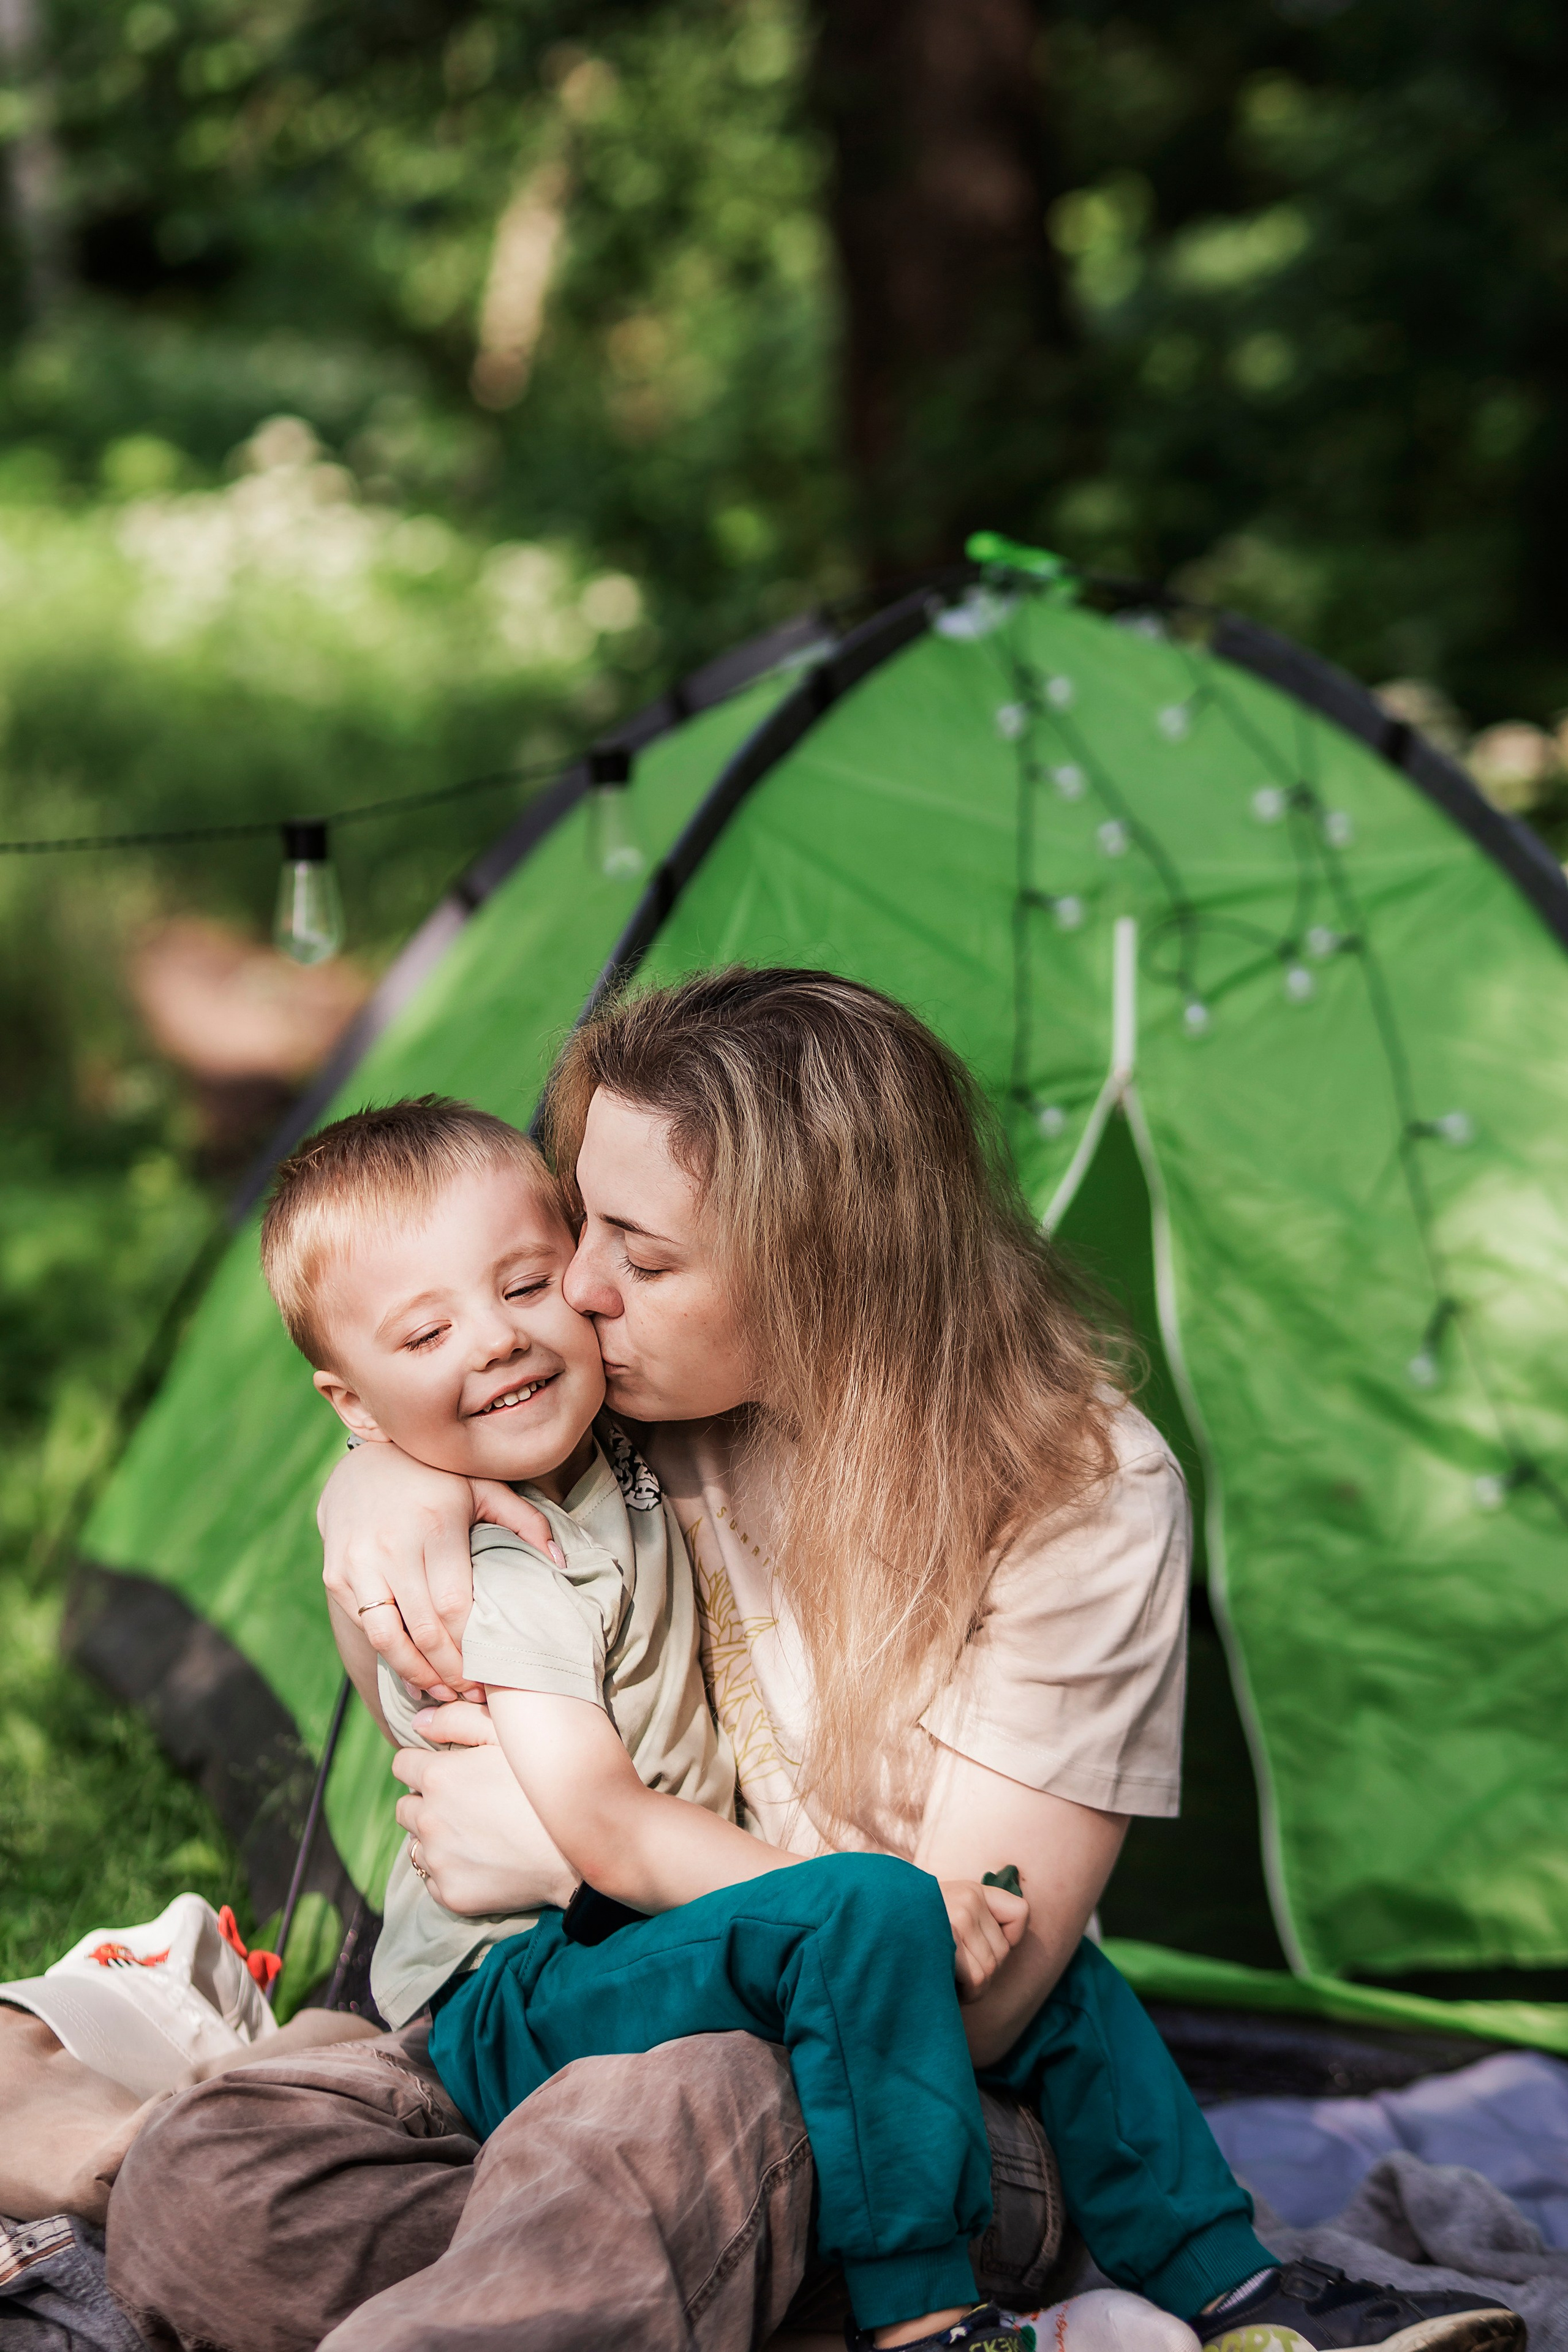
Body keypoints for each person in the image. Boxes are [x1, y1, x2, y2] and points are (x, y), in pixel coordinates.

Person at [106, 970, 1521, 2352]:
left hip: (900, 2095)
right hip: (598, 2015)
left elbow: (987, 1998)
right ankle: (650, 2288)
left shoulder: (1078, 1493)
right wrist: (374, 1485)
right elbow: (425, 1559)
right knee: (205, 2181)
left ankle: (663, 2285)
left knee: (659, 2119)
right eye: (581, 1223)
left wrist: (569, 1862)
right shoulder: (622, 1398)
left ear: (816, 1270)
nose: (577, 1291)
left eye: (639, 1255)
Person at [257, 1093, 1035, 2352]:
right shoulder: (490, 1556)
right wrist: (371, 1477)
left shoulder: (612, 1428)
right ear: (353, 1398)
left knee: (701, 2108)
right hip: (515, 1973)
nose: (498, 1339)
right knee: (227, 2168)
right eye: (430, 1331)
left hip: (645, 1944)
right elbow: (604, 1826)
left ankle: (1217, 2287)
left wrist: (378, 1463)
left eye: (527, 1285)